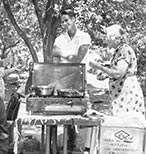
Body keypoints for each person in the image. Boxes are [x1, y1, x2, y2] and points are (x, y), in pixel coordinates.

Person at [52, 7, 91, 151]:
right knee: (64, 112)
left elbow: (78, 60)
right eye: (62, 21)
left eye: (66, 20)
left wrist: (63, 54)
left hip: (80, 79)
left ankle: (85, 147)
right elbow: (55, 59)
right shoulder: (59, 38)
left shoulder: (84, 37)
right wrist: (68, 56)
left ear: (74, 19)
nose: (64, 23)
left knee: (81, 112)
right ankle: (69, 143)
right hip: (63, 80)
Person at [89, 24, 145, 118]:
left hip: (126, 95)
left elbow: (119, 73)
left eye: (107, 37)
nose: (106, 40)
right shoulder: (119, 51)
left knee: (126, 124)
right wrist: (105, 74)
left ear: (115, 38)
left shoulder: (124, 50)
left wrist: (99, 67)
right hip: (120, 94)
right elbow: (117, 70)